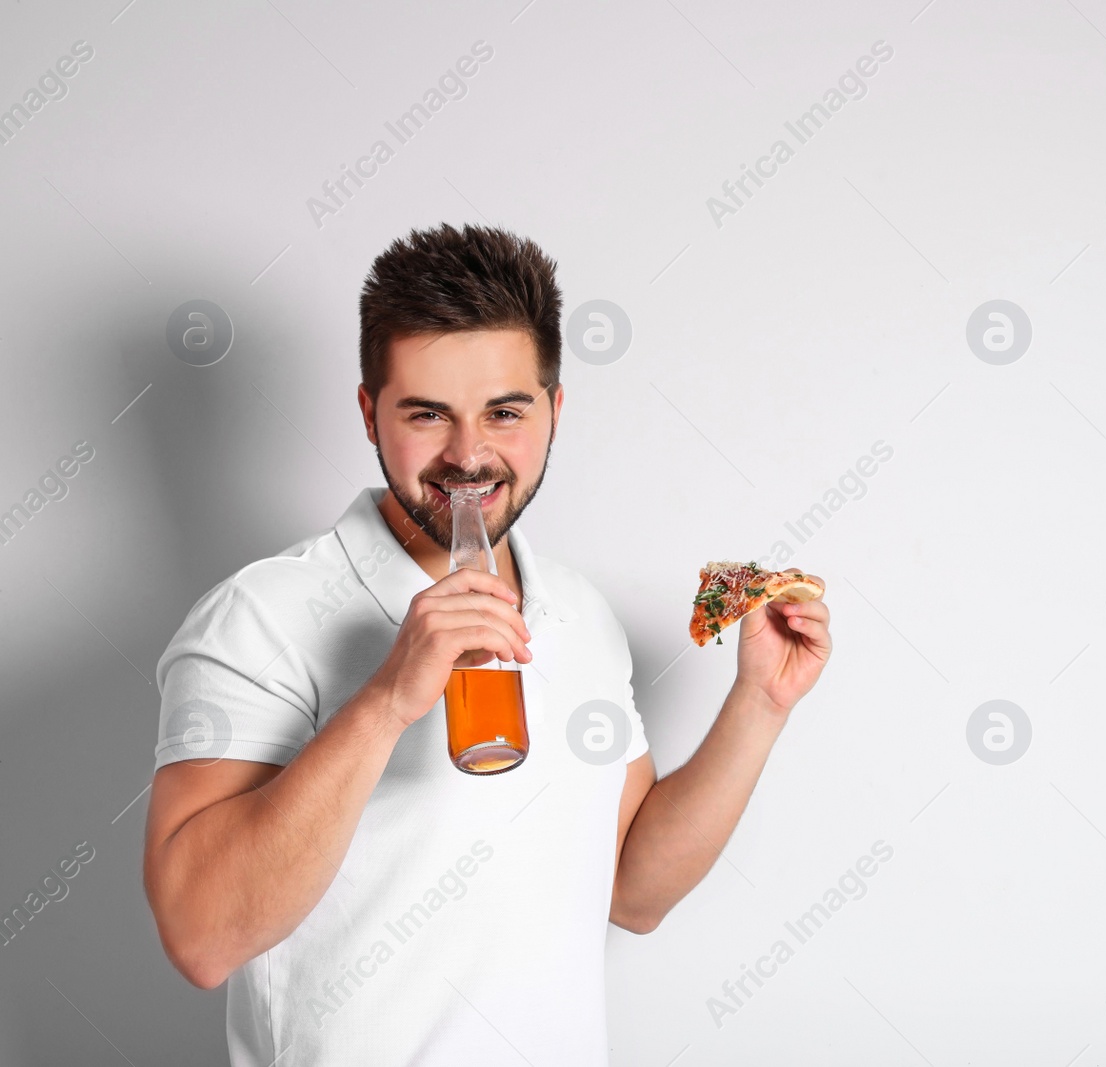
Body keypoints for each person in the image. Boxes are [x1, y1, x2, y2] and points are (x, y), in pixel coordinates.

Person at [141, 222, 832, 1065]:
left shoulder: (581, 613)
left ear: (554, 410)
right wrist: (390, 697)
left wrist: (758, 703)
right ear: (369, 413)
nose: (469, 454)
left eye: (505, 412)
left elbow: (633, 891)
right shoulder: (258, 618)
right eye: (427, 414)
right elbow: (202, 937)